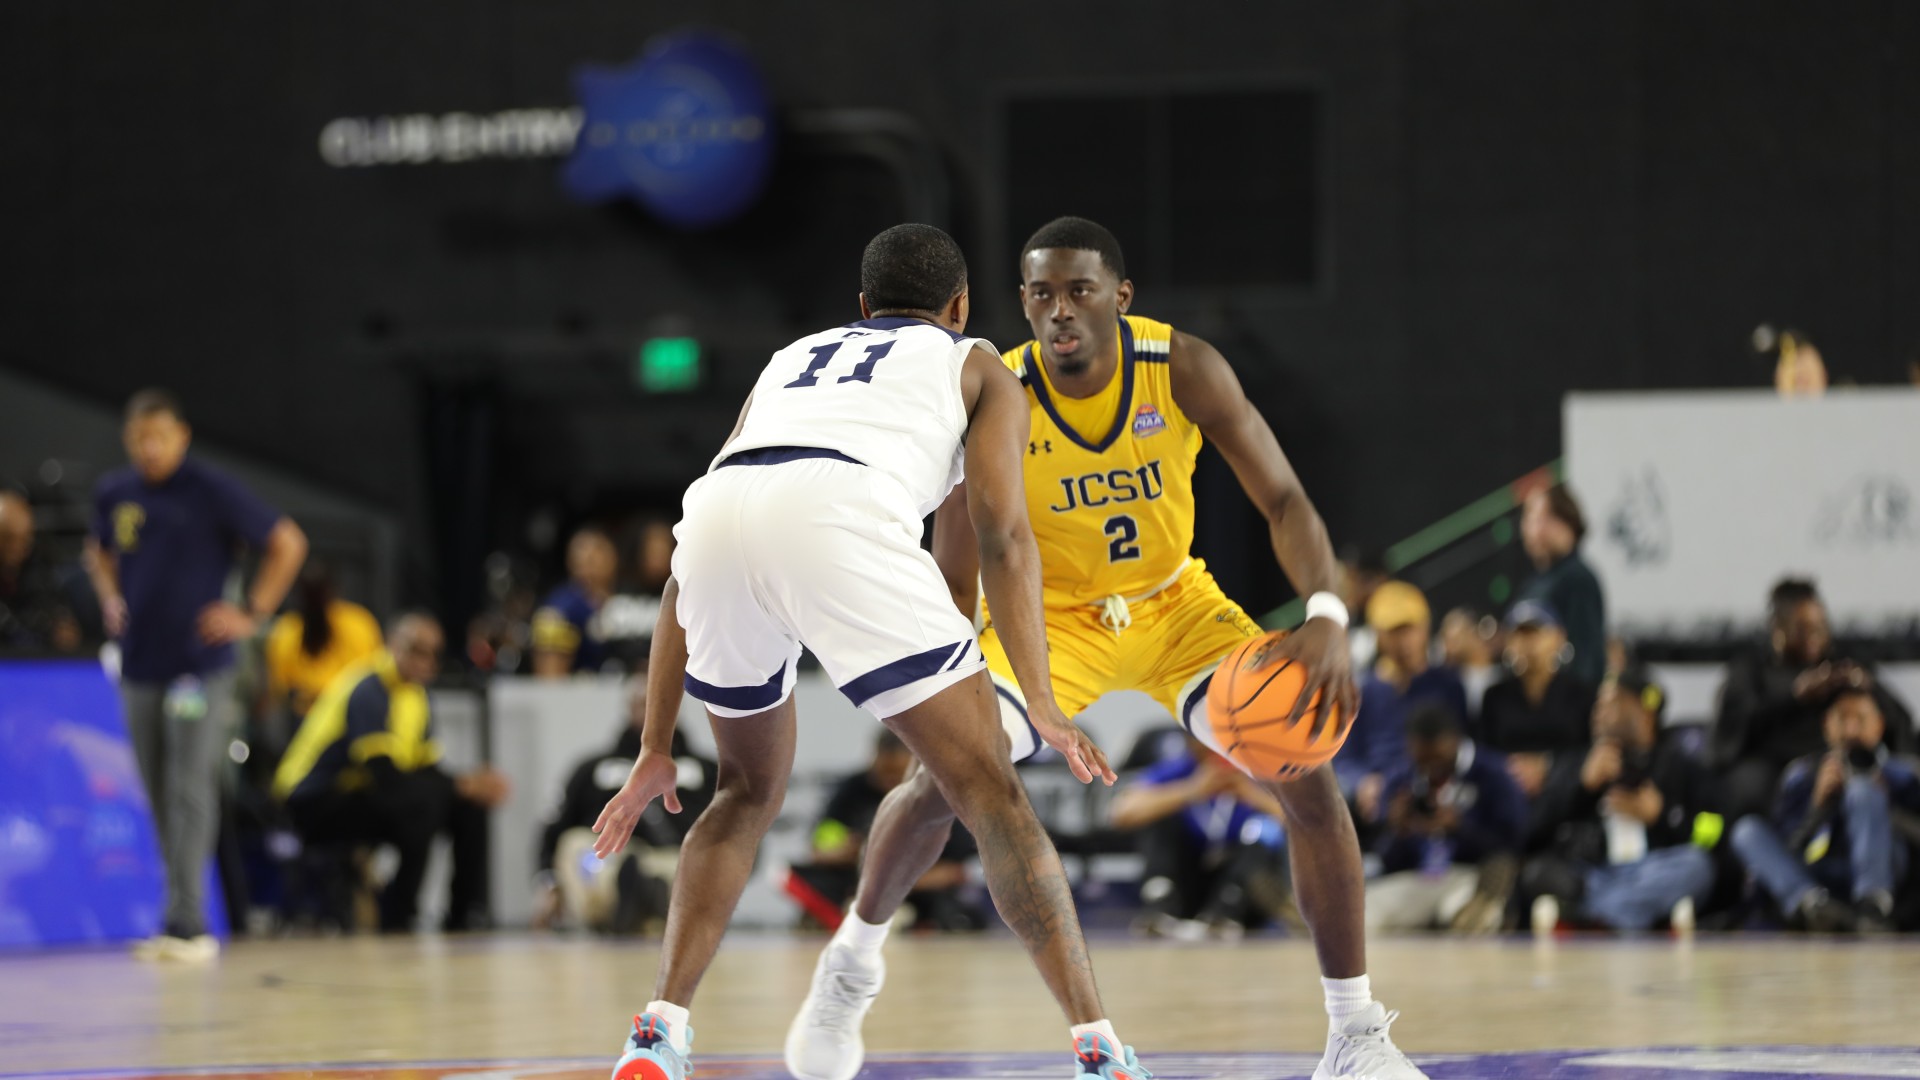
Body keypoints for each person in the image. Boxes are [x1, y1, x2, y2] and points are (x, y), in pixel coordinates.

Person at [784, 217, 1428, 1080]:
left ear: (1120, 298)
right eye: (1041, 294)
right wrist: (947, 678)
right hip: (1046, 620)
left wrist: (1326, 615)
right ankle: (851, 965)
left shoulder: (1184, 367)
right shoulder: (992, 389)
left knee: (1305, 772)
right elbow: (964, 551)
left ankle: (1355, 1037)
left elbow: (1284, 500)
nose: (1059, 311)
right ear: (1018, 303)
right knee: (945, 776)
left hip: (1174, 604)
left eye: (1079, 291)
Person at [588, 224, 1148, 1080]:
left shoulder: (788, 359)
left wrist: (655, 749)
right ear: (961, 309)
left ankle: (658, 1033)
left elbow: (685, 569)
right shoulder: (980, 367)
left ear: (861, 308)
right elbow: (1003, 536)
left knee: (741, 792)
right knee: (992, 793)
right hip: (841, 516)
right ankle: (1100, 1052)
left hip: (721, 521)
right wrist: (1037, 698)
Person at [84, 389, 309, 961]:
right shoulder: (117, 493)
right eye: (139, 439)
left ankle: (189, 922)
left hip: (197, 669)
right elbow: (98, 550)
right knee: (157, 787)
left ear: (181, 436)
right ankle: (177, 911)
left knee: (190, 783)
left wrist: (251, 614)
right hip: (140, 665)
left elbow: (287, 541)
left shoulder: (211, 490)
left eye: (159, 437)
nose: (150, 449)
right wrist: (110, 596)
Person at [273, 613, 511, 933]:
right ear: (393, 645)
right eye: (417, 650)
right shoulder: (369, 688)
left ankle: (464, 914)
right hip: (312, 798)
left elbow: (425, 768)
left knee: (467, 809)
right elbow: (381, 773)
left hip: (363, 794)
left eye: (434, 653)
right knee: (422, 805)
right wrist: (462, 784)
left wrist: (469, 787)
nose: (426, 661)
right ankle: (399, 914)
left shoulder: (418, 696)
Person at [1523, 669, 1719, 933]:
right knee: (1537, 872)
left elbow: (1713, 833)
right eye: (1598, 705)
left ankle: (1596, 916)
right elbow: (1534, 829)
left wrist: (1662, 815)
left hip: (1653, 869)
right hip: (1592, 874)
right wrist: (1582, 786)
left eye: (1612, 702)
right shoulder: (1578, 761)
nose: (1598, 712)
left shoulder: (1679, 765)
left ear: (1645, 711)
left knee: (1698, 865)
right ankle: (1639, 914)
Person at [1711, 578, 1914, 822]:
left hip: (1838, 767)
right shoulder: (1751, 670)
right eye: (1803, 628)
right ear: (1778, 628)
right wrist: (1795, 697)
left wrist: (1868, 688)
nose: (1814, 637)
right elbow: (1729, 737)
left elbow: (1900, 723)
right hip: (1773, 773)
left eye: (1820, 627)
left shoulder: (1842, 664)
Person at [533, 678, 716, 935]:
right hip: (608, 859)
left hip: (673, 858)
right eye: (644, 704)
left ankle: (652, 896)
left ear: (678, 706)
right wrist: (548, 882)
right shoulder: (592, 767)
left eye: (661, 702)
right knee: (577, 846)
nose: (652, 711)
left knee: (697, 863)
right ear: (629, 708)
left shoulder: (705, 769)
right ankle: (628, 896)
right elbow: (554, 823)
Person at [1730, 688, 1919, 933]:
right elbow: (1786, 847)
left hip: (1886, 869)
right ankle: (1812, 906)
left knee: (1863, 790)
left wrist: (1884, 808)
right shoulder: (1801, 774)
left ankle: (1873, 905)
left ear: (1879, 725)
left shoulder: (1905, 774)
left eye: (1860, 719)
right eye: (1842, 719)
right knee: (1746, 831)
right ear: (1826, 724)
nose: (1851, 730)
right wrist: (1816, 807)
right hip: (1819, 871)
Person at [789, 731, 982, 932]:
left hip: (919, 885)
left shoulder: (939, 793)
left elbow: (960, 869)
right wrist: (846, 852)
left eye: (897, 773)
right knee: (802, 877)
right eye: (884, 772)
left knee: (951, 905)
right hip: (861, 880)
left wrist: (899, 881)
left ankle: (908, 920)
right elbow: (820, 847)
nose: (889, 781)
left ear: (917, 764)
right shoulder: (853, 789)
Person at [1109, 732, 1290, 938]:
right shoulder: (1181, 770)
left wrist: (1252, 796)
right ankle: (1161, 908)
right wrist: (1192, 790)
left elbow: (1301, 823)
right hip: (1188, 881)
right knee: (1158, 819)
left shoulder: (1257, 772)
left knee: (1264, 828)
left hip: (1240, 887)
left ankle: (1226, 913)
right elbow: (1120, 813)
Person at [1366, 705, 1527, 934]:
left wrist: (1460, 827)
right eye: (1422, 760)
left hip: (1469, 874)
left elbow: (1513, 844)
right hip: (1419, 877)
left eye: (1437, 758)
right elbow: (1384, 858)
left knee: (1460, 911)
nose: (1431, 767)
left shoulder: (1492, 774)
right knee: (1368, 912)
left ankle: (1482, 911)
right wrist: (1396, 829)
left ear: (1455, 740)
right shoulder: (1401, 779)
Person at [1338, 582, 1468, 823]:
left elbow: (1463, 745)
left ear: (1426, 628)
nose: (1403, 640)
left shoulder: (1448, 684)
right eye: (1393, 631)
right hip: (1376, 799)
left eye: (1409, 629)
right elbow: (1344, 757)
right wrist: (1363, 783)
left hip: (1438, 790)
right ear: (1377, 635)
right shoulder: (1361, 691)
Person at [1477, 601, 1597, 801]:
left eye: (1536, 633)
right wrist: (1512, 768)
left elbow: (1590, 750)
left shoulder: (1581, 694)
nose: (1528, 643)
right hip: (1509, 795)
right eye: (1519, 634)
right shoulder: (1495, 696)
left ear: (1559, 637)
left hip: (1569, 797)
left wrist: (1548, 766)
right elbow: (1484, 751)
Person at [263, 563, 384, 721]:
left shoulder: (286, 630)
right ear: (334, 590)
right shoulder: (360, 622)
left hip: (318, 717)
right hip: (342, 717)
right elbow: (376, 674)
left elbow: (280, 689)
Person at [1514, 484, 1607, 686]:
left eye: (1540, 518)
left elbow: (1585, 658)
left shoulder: (1578, 579)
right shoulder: (1533, 583)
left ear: (1567, 523)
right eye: (1528, 518)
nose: (1532, 529)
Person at [0, 489, 86, 654]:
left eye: (25, 538)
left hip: (37, 660)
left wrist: (61, 622)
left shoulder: (38, 559)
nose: (20, 547)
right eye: (9, 538)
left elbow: (52, 602)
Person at [532, 526, 621, 677]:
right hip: (580, 693)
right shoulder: (560, 608)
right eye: (582, 553)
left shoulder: (627, 600)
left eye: (597, 551)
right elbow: (550, 676)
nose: (589, 558)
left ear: (614, 556)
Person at [1439, 607, 1500, 725]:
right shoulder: (1447, 680)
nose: (1448, 644)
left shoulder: (1502, 675)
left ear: (1473, 632)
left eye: (1456, 638)